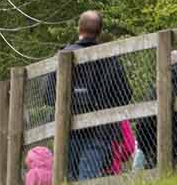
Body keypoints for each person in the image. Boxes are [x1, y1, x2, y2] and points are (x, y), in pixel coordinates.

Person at [42, 10, 133, 181]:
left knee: (69, 177)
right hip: (101, 130)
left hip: (68, 129)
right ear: (99, 31)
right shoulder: (109, 57)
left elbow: (48, 96)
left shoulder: (63, 57)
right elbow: (125, 94)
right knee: (89, 177)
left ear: (79, 29)